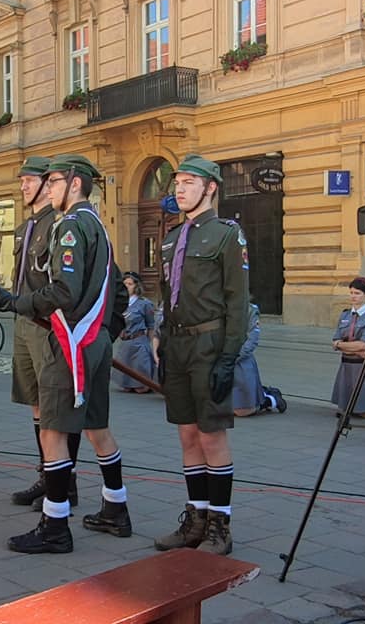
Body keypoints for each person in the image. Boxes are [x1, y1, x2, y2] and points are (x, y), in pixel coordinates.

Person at [0, 154, 132, 554]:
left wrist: (17, 302)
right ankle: (115, 507)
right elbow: (115, 288)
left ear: (74, 184)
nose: (49, 187)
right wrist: (106, 331)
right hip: (93, 339)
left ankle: (54, 525)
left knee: (52, 432)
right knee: (97, 427)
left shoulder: (69, 226)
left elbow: (64, 291)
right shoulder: (98, 226)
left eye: (54, 181)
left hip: (68, 340)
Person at [151, 154, 249, 557]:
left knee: (211, 436)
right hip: (177, 345)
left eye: (189, 182)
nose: (180, 189)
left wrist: (229, 357)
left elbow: (237, 301)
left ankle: (219, 526)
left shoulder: (226, 235)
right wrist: (161, 342)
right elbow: (166, 294)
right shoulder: (172, 237)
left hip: (209, 344)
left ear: (210, 188)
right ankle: (196, 518)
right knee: (187, 434)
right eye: (177, 182)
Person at [6, 156, 83, 509]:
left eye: (30, 180)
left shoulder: (61, 224)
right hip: (25, 322)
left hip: (49, 324)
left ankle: (66, 483)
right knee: (37, 405)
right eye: (21, 180)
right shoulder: (26, 227)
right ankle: (46, 475)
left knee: (57, 408)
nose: (23, 186)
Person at [332, 277, 365, 418]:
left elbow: (363, 344)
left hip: (363, 365)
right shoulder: (345, 314)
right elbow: (335, 340)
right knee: (344, 405)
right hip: (346, 364)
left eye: (357, 293)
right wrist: (340, 345)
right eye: (351, 293)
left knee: (363, 409)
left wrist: (341, 345)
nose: (353, 296)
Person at [113, 272, 157, 394]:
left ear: (136, 286)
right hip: (125, 343)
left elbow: (151, 325)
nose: (127, 287)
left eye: (130, 284)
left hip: (139, 342)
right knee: (126, 386)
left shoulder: (144, 304)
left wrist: (149, 344)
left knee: (141, 387)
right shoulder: (120, 303)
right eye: (125, 284)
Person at [231, 303, 265, 417]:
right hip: (218, 362)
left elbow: (252, 341)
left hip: (239, 361)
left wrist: (231, 357)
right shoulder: (215, 307)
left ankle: (270, 399)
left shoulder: (250, 310)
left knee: (242, 411)